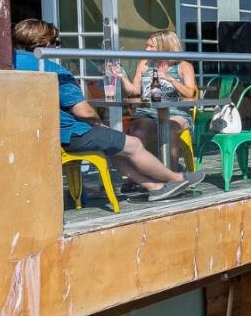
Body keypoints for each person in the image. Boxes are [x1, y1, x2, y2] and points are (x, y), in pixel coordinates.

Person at [13, 19, 201, 202]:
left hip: (32, 133)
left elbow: (190, 95)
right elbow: (84, 112)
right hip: (68, 133)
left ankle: (155, 186)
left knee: (119, 144)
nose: (56, 47)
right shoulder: (54, 70)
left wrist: (168, 78)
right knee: (131, 142)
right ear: (45, 43)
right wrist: (98, 122)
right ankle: (176, 179)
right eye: (56, 43)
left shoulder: (8, 63)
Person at [108, 30, 197, 159]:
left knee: (170, 129)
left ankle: (172, 174)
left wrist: (169, 78)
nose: (146, 49)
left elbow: (190, 94)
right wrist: (122, 76)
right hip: (147, 112)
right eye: (147, 45)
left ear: (165, 47)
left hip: (175, 112)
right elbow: (134, 91)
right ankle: (145, 174)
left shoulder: (183, 66)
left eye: (151, 46)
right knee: (139, 131)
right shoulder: (145, 63)